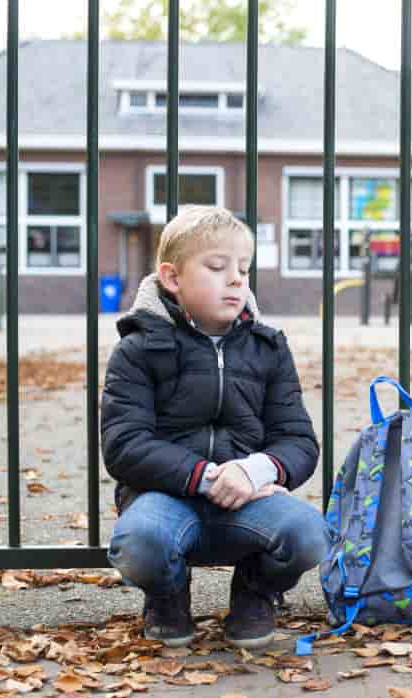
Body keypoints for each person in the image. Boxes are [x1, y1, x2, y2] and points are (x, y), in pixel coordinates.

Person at [101, 205, 325, 650]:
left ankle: (255, 592)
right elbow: (125, 443)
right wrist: (205, 477)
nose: (237, 279)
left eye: (243, 268)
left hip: (249, 502)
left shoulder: (268, 348)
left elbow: (298, 440)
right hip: (165, 500)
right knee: (139, 543)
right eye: (217, 267)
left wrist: (255, 470)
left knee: (309, 534)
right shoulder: (138, 350)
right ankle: (166, 594)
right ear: (172, 278)